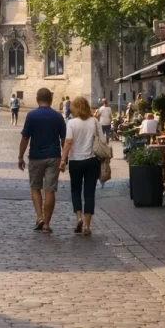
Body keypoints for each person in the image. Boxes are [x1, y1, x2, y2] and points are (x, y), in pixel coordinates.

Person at [18, 88, 66, 233]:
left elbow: (25, 137)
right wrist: (64, 158)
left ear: (37, 99)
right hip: (53, 156)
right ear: (51, 100)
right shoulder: (58, 116)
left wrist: (20, 156)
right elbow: (64, 139)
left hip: (36, 156)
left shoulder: (32, 115)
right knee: (50, 190)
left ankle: (39, 216)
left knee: (35, 187)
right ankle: (46, 224)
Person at [60, 96, 102, 236]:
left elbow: (68, 142)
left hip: (76, 161)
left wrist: (63, 159)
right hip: (92, 160)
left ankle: (78, 217)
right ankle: (87, 225)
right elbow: (102, 140)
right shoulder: (94, 121)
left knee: (75, 190)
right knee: (90, 193)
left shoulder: (71, 123)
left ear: (76, 108)